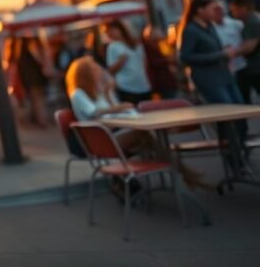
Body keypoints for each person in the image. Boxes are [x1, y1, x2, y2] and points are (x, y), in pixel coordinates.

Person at [65, 57, 209, 190]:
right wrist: (119, 107)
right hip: (100, 142)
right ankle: (184, 174)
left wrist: (109, 92)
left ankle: (179, 174)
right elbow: (95, 112)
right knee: (145, 136)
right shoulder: (78, 94)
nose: (99, 72)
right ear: (85, 74)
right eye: (95, 70)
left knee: (150, 140)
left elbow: (111, 111)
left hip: (111, 134)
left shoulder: (97, 92)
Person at [178, 0, 246, 143]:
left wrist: (224, 52)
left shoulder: (210, 27)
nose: (214, 12)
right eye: (211, 9)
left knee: (240, 111)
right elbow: (185, 57)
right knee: (226, 115)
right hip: (209, 79)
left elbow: (215, 49)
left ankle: (240, 148)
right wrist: (219, 54)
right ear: (200, 10)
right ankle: (232, 155)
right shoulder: (191, 30)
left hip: (224, 75)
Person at [103, 20, 152, 105]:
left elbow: (144, 62)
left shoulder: (136, 43)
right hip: (126, 87)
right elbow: (110, 69)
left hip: (143, 84)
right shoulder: (112, 47)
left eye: (112, 30)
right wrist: (120, 61)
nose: (110, 33)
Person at [228, 0, 260, 103]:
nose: (233, 13)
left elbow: (249, 47)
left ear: (244, 8)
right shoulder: (250, 20)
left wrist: (230, 52)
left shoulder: (252, 22)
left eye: (234, 10)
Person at [212, 1, 249, 95]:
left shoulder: (235, 24)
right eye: (215, 10)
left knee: (246, 91)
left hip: (243, 64)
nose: (219, 12)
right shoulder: (211, 28)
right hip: (227, 68)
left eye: (220, 10)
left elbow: (246, 38)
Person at [15, 36, 50, 127]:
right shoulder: (31, 54)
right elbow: (40, 65)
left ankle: (39, 120)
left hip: (29, 83)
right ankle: (42, 121)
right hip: (36, 81)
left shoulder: (20, 57)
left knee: (35, 102)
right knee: (39, 101)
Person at [141, 25, 179, 100]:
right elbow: (152, 62)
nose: (161, 33)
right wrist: (168, 60)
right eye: (158, 31)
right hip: (161, 81)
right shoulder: (149, 47)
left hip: (167, 79)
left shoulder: (162, 45)